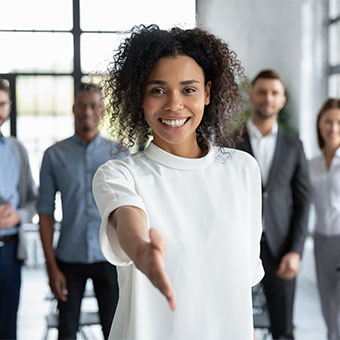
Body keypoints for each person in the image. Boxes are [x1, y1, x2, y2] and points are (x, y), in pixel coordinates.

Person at [92, 25, 264, 340]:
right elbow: (129, 220)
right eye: (158, 90)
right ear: (139, 97)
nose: (174, 104)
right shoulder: (120, 174)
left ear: (208, 93)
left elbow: (239, 291)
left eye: (188, 89)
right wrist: (142, 251)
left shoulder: (243, 170)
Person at [38, 83, 127, 340]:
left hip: (109, 257)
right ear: (74, 109)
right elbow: (45, 212)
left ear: (102, 110)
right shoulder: (53, 155)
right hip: (69, 258)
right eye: (82, 105)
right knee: (66, 330)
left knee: (115, 328)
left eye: (93, 105)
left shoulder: (119, 154)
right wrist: (51, 267)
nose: (87, 111)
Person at [235, 69, 310, 339]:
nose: (268, 97)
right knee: (235, 323)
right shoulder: (230, 142)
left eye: (274, 93)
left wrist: (296, 251)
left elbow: (303, 202)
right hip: (239, 246)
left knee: (283, 328)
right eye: (263, 92)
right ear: (252, 96)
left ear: (282, 100)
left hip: (282, 248)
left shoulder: (294, 146)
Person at [0, 78, 37, 339]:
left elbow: (32, 202)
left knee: (8, 325)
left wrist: (18, 215)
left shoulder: (17, 150)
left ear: (9, 107)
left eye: (2, 104)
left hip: (11, 250)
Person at [309, 98, 340, 340]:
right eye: (328, 121)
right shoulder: (311, 165)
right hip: (321, 241)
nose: (333, 127)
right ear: (320, 124)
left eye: (338, 122)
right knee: (327, 301)